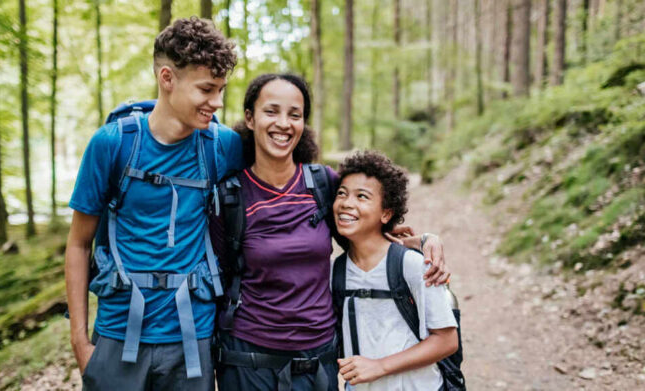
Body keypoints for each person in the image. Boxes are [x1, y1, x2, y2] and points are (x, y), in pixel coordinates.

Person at [210, 73, 451, 391]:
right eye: (272, 111)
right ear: (250, 118)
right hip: (248, 362)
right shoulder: (230, 195)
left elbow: (364, 231)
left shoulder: (322, 184)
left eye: (294, 114)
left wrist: (423, 241)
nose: (283, 123)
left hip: (317, 362)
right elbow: (219, 275)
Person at [65, 17, 242, 390]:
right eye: (207, 89)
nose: (218, 102)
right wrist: (81, 343)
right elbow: (79, 244)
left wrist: (377, 223)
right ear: (167, 78)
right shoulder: (112, 144)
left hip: (192, 338)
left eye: (222, 89)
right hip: (117, 333)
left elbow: (283, 180)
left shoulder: (221, 146)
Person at [333, 151, 459, 390]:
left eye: (362, 196)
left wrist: (379, 366)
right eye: (342, 193)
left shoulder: (412, 264)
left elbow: (447, 340)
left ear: (386, 213)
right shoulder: (335, 272)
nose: (347, 203)